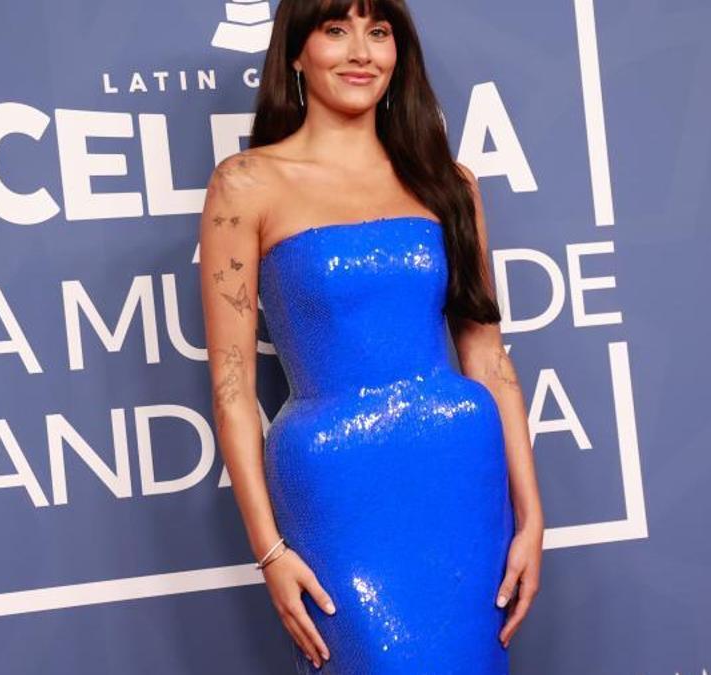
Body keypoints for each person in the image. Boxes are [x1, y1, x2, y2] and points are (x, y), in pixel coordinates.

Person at [198, 0, 544, 671]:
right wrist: (269, 548)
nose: (361, 51)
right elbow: (233, 385)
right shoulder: (246, 184)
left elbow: (486, 354)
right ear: (295, 52)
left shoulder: (448, 182)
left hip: (461, 480)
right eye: (336, 29)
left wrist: (530, 517)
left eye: (378, 31)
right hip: (336, 487)